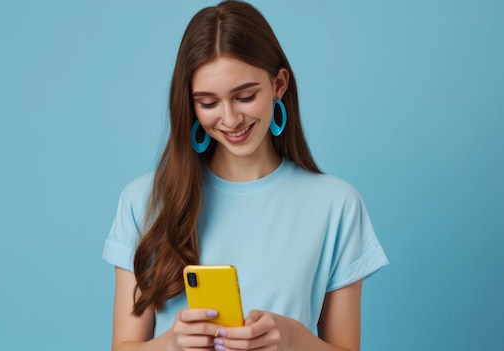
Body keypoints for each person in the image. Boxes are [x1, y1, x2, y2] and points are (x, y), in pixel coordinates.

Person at [102, 1, 389, 350]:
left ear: (279, 84)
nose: (230, 119)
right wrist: (171, 344)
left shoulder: (337, 205)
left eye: (245, 96)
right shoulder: (145, 202)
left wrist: (293, 338)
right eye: (207, 103)